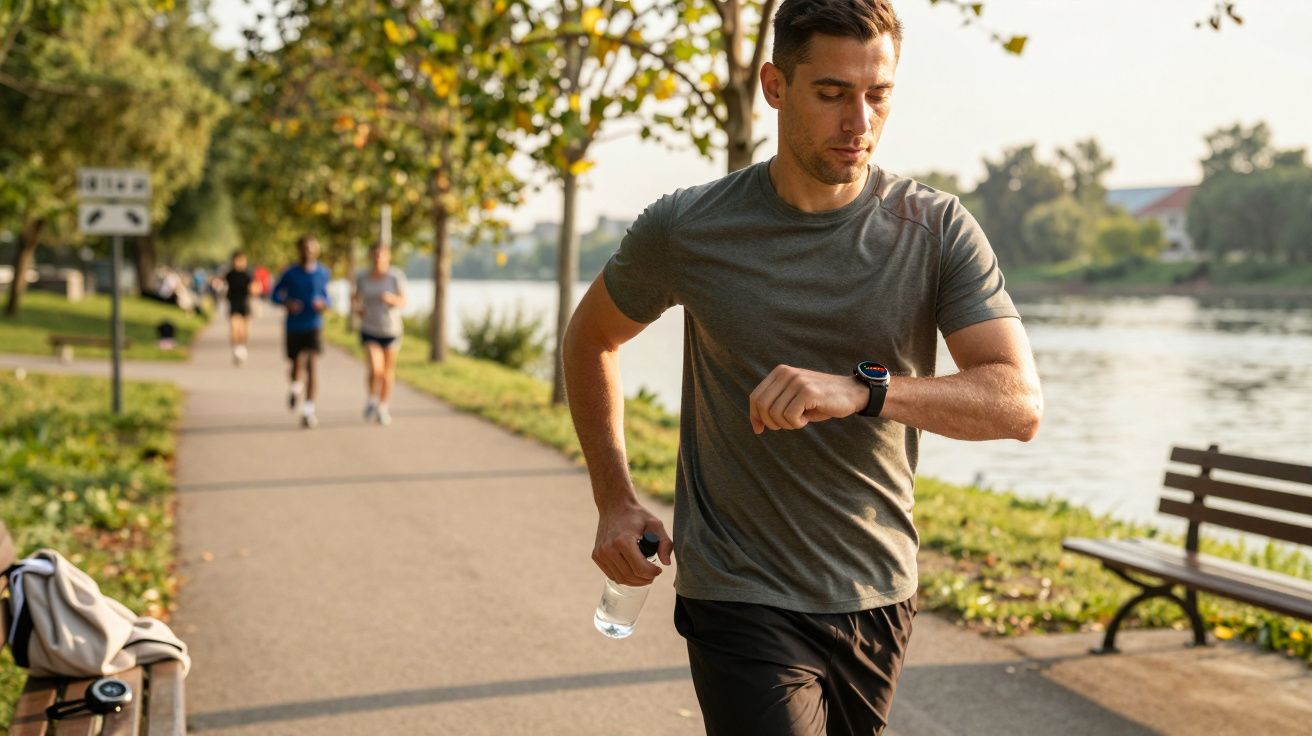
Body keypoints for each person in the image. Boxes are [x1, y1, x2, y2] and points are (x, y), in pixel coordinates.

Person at [561, 1, 1044, 733]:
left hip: (876, 586)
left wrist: (863, 391)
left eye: (877, 94)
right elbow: (591, 338)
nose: (859, 122)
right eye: (831, 93)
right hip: (738, 587)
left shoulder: (936, 229)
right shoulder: (689, 228)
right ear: (774, 86)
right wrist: (614, 498)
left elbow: (1017, 403)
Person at [271, 235, 332, 429]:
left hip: (314, 324)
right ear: (299, 250)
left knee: (312, 365)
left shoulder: (323, 273)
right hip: (293, 326)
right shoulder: (290, 273)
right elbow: (274, 295)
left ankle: (308, 410)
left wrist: (323, 304)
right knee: (296, 364)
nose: (308, 251)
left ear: (317, 250)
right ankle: (296, 386)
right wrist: (287, 303)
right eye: (304, 248)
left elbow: (327, 298)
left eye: (311, 248)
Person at [351, 243, 407, 426]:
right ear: (370, 256)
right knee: (376, 369)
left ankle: (383, 407)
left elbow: (404, 301)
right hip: (369, 328)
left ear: (388, 257)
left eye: (382, 255)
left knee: (387, 372)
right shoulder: (362, 277)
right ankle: (372, 399)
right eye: (375, 255)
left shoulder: (395, 276)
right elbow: (355, 297)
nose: (378, 258)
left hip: (391, 329)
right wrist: (358, 309)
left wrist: (392, 299)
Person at [221, 251, 254, 365]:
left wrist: (254, 290)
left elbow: (254, 287)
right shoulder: (230, 274)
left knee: (244, 331)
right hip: (233, 303)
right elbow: (222, 285)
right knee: (234, 327)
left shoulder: (248, 274)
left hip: (245, 303)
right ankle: (236, 349)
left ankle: (243, 348)